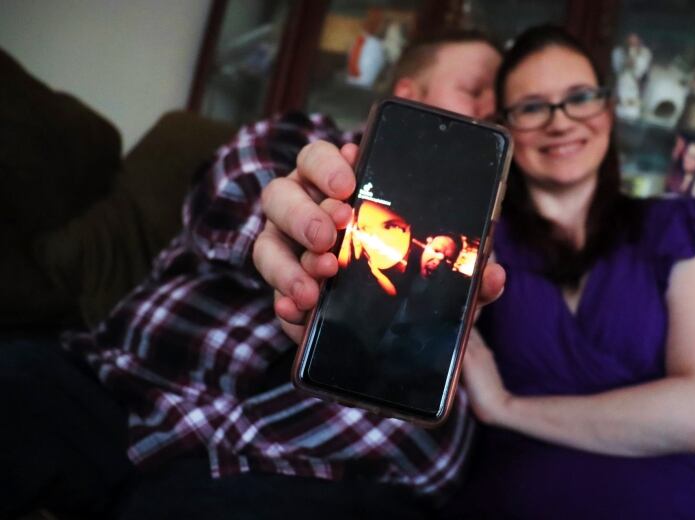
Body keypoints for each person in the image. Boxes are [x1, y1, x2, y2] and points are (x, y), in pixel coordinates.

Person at [0, 31, 502, 520]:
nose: (491, 110)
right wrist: (299, 236)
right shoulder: (299, 138)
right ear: (409, 93)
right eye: (475, 90)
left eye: (500, 103)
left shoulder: (475, 242)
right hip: (127, 387)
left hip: (293, 466)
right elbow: (226, 198)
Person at [260, 26, 695, 520]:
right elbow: (394, 338)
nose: (561, 122)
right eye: (533, 107)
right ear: (505, 125)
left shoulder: (678, 227)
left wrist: (509, 408)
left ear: (608, 107)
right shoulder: (474, 242)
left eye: (580, 97)